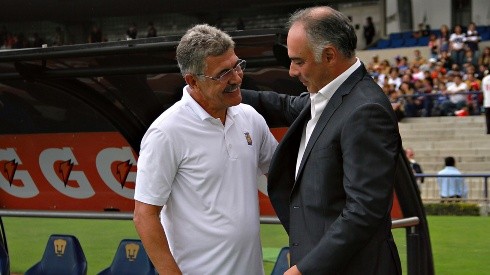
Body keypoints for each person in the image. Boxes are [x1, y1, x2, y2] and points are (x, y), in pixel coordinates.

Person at [242, 6, 402, 274]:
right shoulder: (327, 96)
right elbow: (283, 105)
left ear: (329, 55)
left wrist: (305, 269)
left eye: (298, 61)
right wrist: (230, 91)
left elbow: (364, 212)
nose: (292, 71)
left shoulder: (366, 111)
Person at [133, 24, 278, 274]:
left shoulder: (250, 118)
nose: (236, 77)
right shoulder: (166, 132)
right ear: (193, 81)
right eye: (223, 73)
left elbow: (284, 174)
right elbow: (144, 215)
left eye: (237, 65)